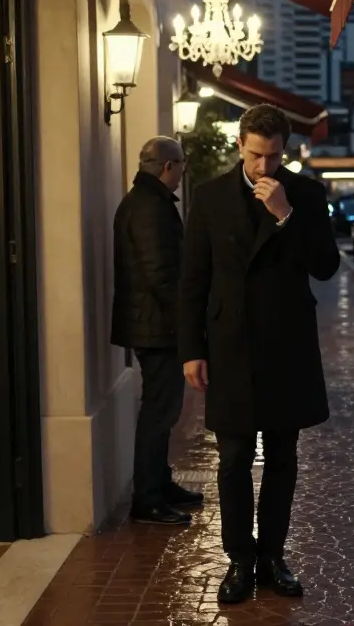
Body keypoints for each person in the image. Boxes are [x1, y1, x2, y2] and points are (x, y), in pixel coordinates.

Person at [178, 104, 340, 604]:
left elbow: (327, 267)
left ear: (284, 151)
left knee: (283, 458)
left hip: (286, 343)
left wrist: (286, 215)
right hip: (230, 345)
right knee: (232, 459)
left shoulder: (306, 195)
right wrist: (191, 350)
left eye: (272, 157)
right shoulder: (208, 198)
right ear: (239, 146)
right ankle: (239, 561)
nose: (263, 167)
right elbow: (193, 281)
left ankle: (273, 556)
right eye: (254, 155)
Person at [111, 136, 204, 526]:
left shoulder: (146, 201)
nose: (183, 172)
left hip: (152, 324)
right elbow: (162, 274)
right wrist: (186, 323)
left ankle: (160, 485)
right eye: (181, 164)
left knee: (162, 410)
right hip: (156, 327)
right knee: (158, 412)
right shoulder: (150, 206)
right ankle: (147, 498)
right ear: (168, 166)